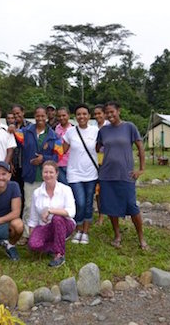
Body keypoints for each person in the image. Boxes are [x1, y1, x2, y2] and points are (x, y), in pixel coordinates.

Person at [96, 101, 148, 250]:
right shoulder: (103, 131)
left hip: (126, 174)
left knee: (132, 206)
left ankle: (141, 238)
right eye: (107, 112)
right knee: (112, 207)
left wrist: (141, 169)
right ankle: (117, 235)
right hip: (107, 175)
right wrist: (103, 160)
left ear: (119, 111)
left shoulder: (129, 127)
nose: (110, 115)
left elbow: (140, 147)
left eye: (112, 111)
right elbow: (97, 148)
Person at [15, 106, 62, 245]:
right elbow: (13, 138)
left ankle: (46, 233)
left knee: (47, 206)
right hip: (30, 175)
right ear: (34, 116)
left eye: (43, 116)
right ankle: (25, 234)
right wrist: (12, 129)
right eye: (38, 116)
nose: (40, 118)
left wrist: (44, 158)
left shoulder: (54, 135)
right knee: (29, 205)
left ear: (47, 116)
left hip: (46, 177)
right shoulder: (25, 132)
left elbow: (57, 156)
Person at [27, 161, 76, 267]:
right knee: (34, 245)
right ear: (42, 174)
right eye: (45, 172)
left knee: (57, 218)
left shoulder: (66, 190)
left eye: (51, 172)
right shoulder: (37, 193)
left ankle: (59, 255)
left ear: (57, 173)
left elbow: (71, 212)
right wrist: (32, 236)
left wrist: (50, 210)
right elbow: (33, 217)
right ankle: (56, 242)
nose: (48, 175)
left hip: (65, 224)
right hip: (45, 226)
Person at [62, 104, 98, 245]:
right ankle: (78, 229)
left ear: (89, 116)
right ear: (75, 117)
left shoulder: (96, 131)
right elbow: (62, 151)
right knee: (80, 202)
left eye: (84, 114)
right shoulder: (70, 132)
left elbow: (101, 148)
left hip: (91, 173)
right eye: (78, 114)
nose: (81, 116)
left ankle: (85, 232)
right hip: (74, 173)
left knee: (89, 203)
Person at [9, 104, 31, 220]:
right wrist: (10, 163)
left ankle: (24, 217)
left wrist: (16, 131)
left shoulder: (30, 126)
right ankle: (15, 216)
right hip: (15, 164)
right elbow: (9, 147)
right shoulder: (9, 127)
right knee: (15, 192)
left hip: (26, 165)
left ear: (23, 112)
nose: (17, 116)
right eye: (14, 114)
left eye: (18, 113)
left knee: (25, 192)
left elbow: (28, 141)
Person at [93, 104, 109, 225]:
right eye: (96, 114)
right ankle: (101, 215)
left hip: (109, 163)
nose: (98, 116)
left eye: (100, 113)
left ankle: (114, 213)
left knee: (110, 190)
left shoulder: (110, 126)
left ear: (104, 114)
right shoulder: (93, 128)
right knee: (98, 191)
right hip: (95, 163)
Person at [54, 107, 72, 185]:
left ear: (68, 115)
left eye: (64, 115)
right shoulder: (56, 128)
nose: (61, 118)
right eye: (59, 116)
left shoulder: (73, 129)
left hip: (70, 164)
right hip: (58, 163)